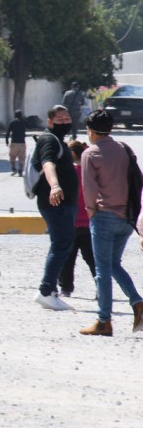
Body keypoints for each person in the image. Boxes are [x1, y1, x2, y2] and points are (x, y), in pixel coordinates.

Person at [78, 110, 143, 336]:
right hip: (127, 217)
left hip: (104, 216)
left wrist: (91, 213)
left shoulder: (90, 154)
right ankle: (137, 302)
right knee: (114, 264)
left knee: (102, 269)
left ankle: (103, 320)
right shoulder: (124, 149)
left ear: (91, 131)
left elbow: (89, 188)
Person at [33, 105, 79, 312]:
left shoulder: (57, 140)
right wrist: (55, 185)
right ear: (50, 122)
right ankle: (46, 291)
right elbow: (48, 164)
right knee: (61, 244)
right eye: (60, 120)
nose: (65, 123)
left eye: (67, 119)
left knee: (62, 244)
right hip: (55, 202)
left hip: (63, 203)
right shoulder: (49, 140)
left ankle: (49, 290)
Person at [57, 140, 96, 297]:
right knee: (93, 259)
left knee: (67, 258)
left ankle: (66, 288)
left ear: (71, 154)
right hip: (89, 222)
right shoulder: (91, 172)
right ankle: (101, 286)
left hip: (70, 223)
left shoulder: (67, 173)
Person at [5, 110, 27, 176]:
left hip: (14, 143)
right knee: (22, 158)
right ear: (21, 115)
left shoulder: (12, 122)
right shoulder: (24, 122)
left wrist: (6, 141)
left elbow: (8, 132)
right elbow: (30, 126)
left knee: (12, 157)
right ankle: (20, 170)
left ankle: (14, 169)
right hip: (22, 143)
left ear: (15, 115)